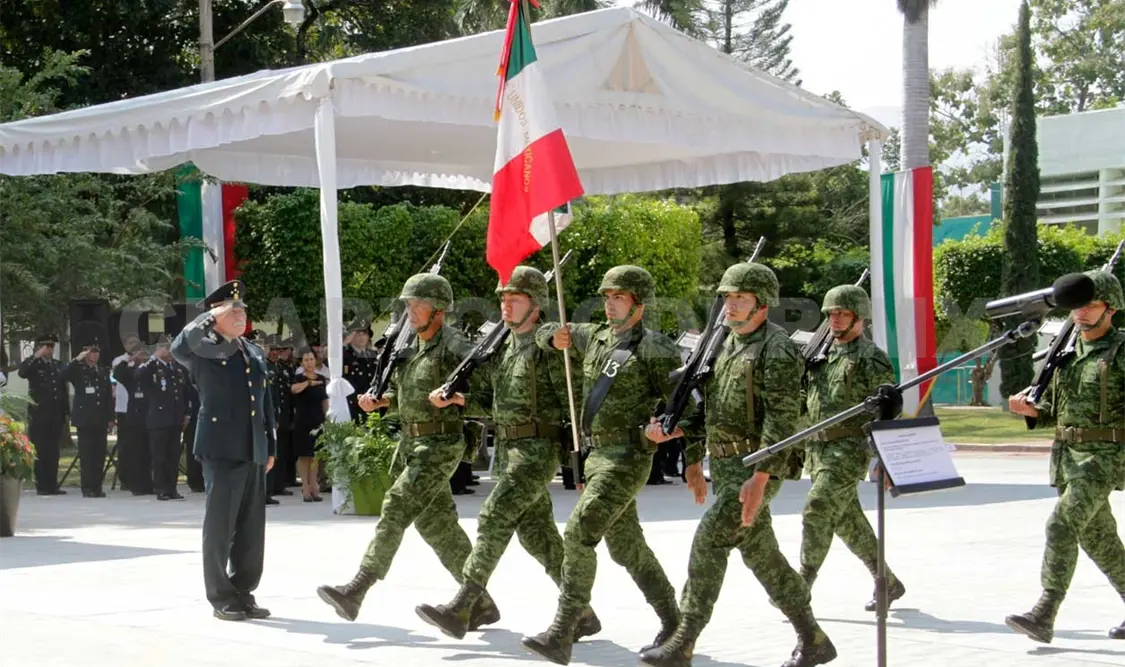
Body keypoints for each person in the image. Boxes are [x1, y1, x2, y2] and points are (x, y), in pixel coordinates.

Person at [640, 262, 836, 667]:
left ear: (762, 305)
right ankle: (813, 637)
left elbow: (782, 423)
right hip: (726, 463)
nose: (730, 306)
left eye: (740, 298)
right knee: (762, 555)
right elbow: (707, 412)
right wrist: (673, 432)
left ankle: (685, 639)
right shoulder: (724, 344)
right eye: (727, 298)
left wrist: (760, 478)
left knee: (709, 539)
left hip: (758, 465)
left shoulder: (777, 349)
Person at [414, 266, 601, 641]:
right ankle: (581, 611)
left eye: (514, 299)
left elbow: (556, 340)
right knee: (538, 536)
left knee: (494, 517)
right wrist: (457, 398)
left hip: (537, 450)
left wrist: (561, 340)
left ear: (536, 305)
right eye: (502, 298)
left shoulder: (546, 344)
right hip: (510, 449)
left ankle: (464, 605)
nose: (505, 305)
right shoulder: (506, 346)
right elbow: (491, 401)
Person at [521, 265, 694, 664]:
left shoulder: (655, 348)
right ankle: (674, 621)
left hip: (628, 458)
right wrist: (553, 337)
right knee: (627, 547)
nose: (610, 304)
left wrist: (680, 446)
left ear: (639, 303)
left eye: (618, 297)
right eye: (606, 297)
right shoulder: (594, 336)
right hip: (595, 456)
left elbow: (688, 408)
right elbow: (547, 330)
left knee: (578, 532)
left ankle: (564, 629)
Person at [316, 273, 499, 628]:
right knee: (438, 526)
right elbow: (405, 400)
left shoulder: (456, 347)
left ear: (439, 310)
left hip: (441, 445)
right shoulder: (407, 347)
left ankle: (357, 588)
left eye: (419, 305)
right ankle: (480, 603)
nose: (411, 312)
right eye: (408, 305)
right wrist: (380, 401)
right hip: (411, 444)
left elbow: (495, 400)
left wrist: (460, 399)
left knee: (396, 506)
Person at [1006, 269, 1125, 643]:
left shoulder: (1122, 351)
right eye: (1078, 305)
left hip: (1103, 459)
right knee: (1098, 538)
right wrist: (1031, 411)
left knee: (1060, 524)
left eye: (1091, 305)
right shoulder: (1067, 353)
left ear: (1112, 309)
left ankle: (1045, 610)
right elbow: (1056, 413)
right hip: (1067, 459)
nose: (1082, 312)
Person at [171, 279, 277, 622]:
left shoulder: (253, 350)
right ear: (214, 316)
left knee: (251, 528)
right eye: (232, 311)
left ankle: (244, 590)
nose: (241, 315)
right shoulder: (203, 349)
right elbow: (178, 347)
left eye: (243, 310)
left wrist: (270, 444)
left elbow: (265, 402)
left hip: (253, 448)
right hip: (221, 447)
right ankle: (221, 596)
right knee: (220, 526)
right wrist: (205, 319)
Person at [795, 284, 905, 611]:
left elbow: (888, 408)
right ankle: (888, 582)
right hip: (817, 450)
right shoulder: (819, 353)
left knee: (817, 510)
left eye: (843, 313)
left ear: (860, 317)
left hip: (848, 448)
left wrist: (885, 458)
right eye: (831, 314)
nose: (836, 319)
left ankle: (800, 585)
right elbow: (804, 398)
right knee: (845, 521)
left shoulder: (872, 358)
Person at [139, 335, 190, 501]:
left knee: (173, 456)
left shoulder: (176, 368)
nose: (170, 352)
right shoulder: (152, 366)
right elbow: (139, 375)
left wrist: (186, 412)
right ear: (159, 349)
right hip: (159, 420)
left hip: (175, 419)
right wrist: (154, 357)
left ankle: (172, 488)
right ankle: (161, 488)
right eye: (166, 348)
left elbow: (184, 392)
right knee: (160, 456)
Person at [61, 341, 115, 498]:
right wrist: (77, 359)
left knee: (99, 455)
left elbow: (107, 397)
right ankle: (88, 487)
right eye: (91, 352)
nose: (95, 355)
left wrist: (110, 418)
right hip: (85, 419)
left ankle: (97, 486)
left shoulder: (103, 371)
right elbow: (63, 374)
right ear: (85, 354)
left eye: (97, 352)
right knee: (87, 455)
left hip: (100, 419)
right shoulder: (78, 370)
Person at [17, 333, 68, 495]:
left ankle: (52, 484)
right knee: (40, 449)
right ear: (40, 347)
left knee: (53, 451)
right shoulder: (34, 364)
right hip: (39, 414)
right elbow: (22, 372)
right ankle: (42, 485)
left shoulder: (57, 365)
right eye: (47, 346)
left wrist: (66, 411)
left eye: (52, 346)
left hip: (55, 414)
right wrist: (36, 355)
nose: (50, 349)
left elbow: (62, 390)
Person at [113, 346, 155, 496]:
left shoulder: (149, 371)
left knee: (148, 454)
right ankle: (136, 485)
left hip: (149, 416)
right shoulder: (131, 373)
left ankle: (148, 484)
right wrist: (130, 359)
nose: (142, 357)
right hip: (134, 418)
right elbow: (117, 373)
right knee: (136, 453)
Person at [290, 346, 328, 502]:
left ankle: (314, 486)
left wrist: (328, 418)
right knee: (304, 455)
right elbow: (294, 390)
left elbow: (324, 400)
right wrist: (308, 383)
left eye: (311, 359)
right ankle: (304, 486)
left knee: (315, 455)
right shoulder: (298, 377)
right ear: (302, 362)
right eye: (306, 360)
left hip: (317, 419)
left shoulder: (321, 378)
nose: (309, 362)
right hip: (302, 420)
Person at [343, 320, 379, 424]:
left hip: (372, 402)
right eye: (358, 333)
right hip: (354, 405)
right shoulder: (345, 355)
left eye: (364, 333)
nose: (362, 336)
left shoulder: (372, 355)